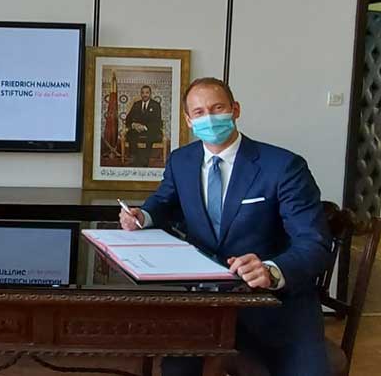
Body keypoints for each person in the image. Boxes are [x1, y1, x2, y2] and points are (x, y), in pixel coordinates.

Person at [119, 78, 332, 376]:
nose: (209, 118)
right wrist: (143, 215)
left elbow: (314, 242)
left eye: (217, 108)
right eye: (199, 112)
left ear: (235, 110)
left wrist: (272, 271)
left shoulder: (283, 166)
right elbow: (163, 201)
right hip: (202, 304)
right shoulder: (181, 161)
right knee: (177, 370)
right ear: (188, 120)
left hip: (273, 306)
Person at [125, 85, 162, 167]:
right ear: (141, 94)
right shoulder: (136, 104)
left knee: (151, 135)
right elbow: (128, 119)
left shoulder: (156, 105)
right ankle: (134, 158)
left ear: (150, 94)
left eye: (147, 93)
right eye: (143, 93)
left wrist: (144, 127)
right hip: (137, 130)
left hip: (150, 129)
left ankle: (145, 160)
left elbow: (157, 122)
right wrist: (134, 125)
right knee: (130, 134)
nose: (145, 95)